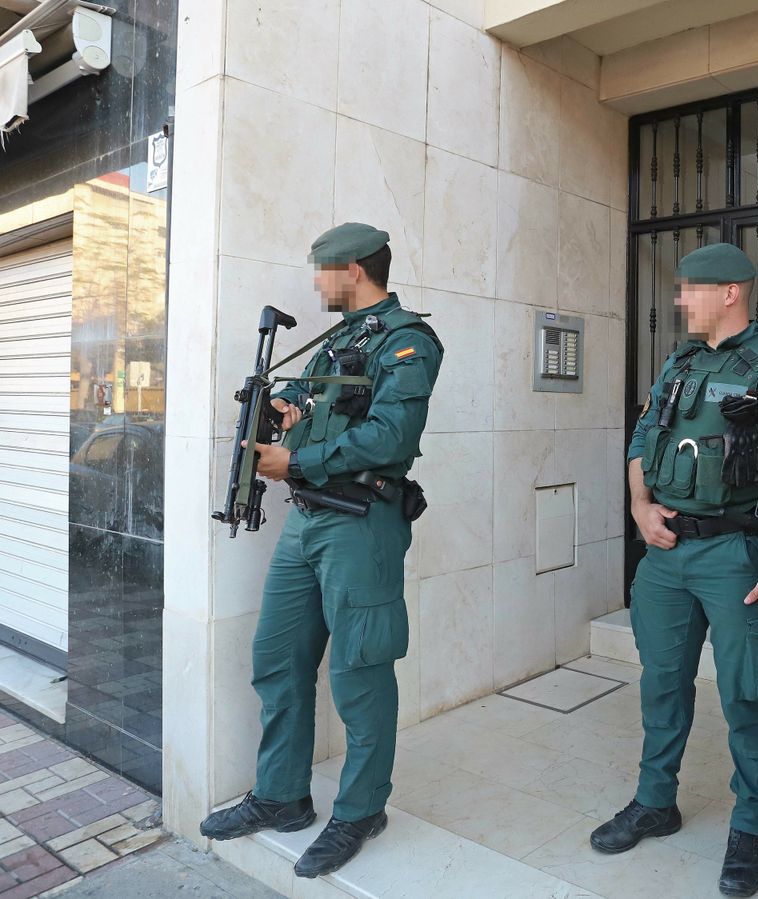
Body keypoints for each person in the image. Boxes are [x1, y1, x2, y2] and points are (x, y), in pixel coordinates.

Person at [596, 243, 758, 897]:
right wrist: (640, 505)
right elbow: (640, 440)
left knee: (747, 692)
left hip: (739, 556)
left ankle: (753, 824)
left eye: (690, 290)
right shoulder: (679, 363)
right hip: (667, 554)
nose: (680, 301)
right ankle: (656, 801)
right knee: (662, 683)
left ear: (730, 291)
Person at [198, 223, 443, 878]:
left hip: (361, 522)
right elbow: (315, 406)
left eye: (322, 270)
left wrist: (297, 457)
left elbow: (392, 435)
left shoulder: (407, 342)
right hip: (307, 518)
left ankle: (362, 809)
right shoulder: (334, 342)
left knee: (360, 670)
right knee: (276, 657)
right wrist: (288, 414)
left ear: (355, 270)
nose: (315, 282)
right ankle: (281, 796)